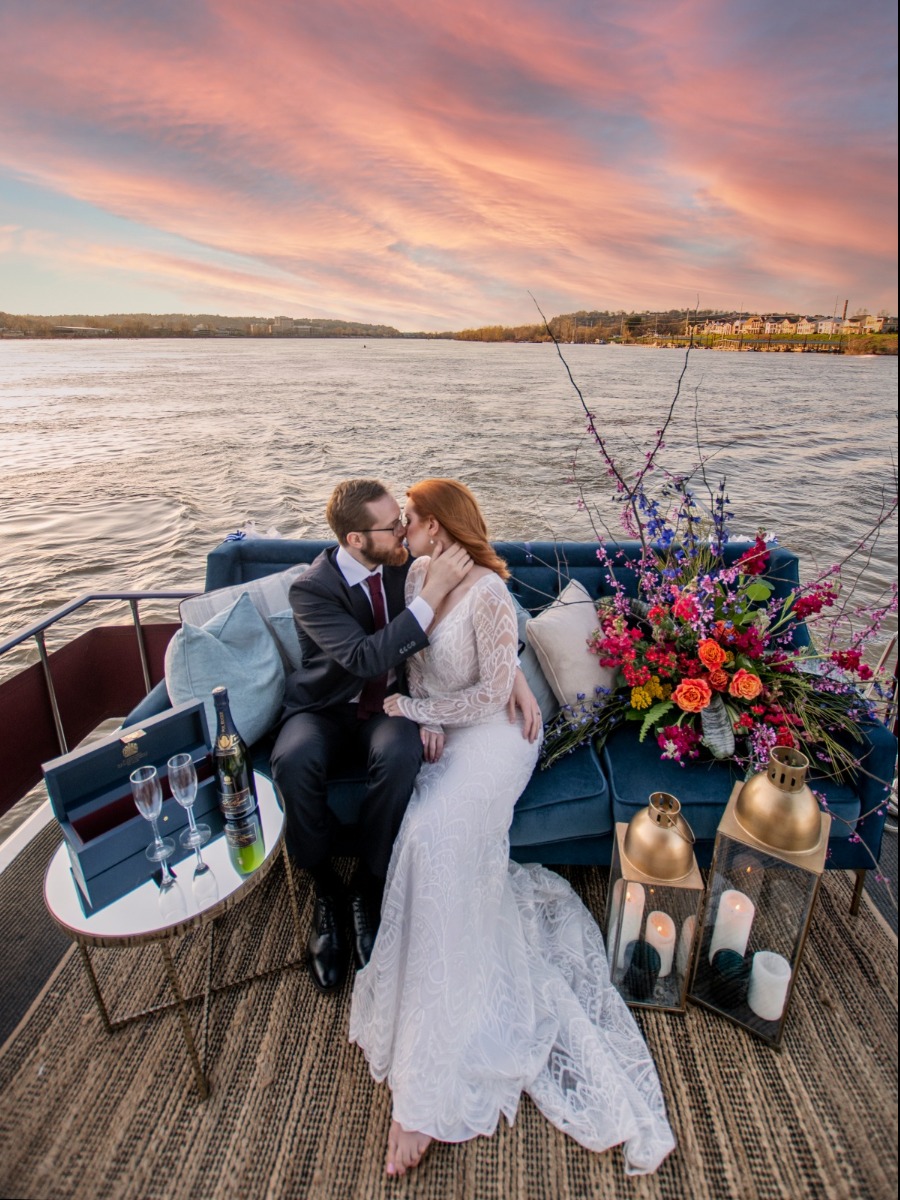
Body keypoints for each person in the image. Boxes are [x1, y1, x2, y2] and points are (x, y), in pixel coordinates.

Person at [349, 479, 675, 1178]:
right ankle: (418, 1008)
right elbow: (413, 657)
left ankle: (427, 1091)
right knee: (422, 840)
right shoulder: (415, 576)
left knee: (437, 840)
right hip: (450, 725)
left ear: (437, 526)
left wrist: (421, 712)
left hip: (496, 740)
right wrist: (422, 706)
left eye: (410, 519)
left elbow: (493, 695)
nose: (402, 528)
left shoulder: (491, 593)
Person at [271, 479, 541, 993]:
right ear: (355, 539)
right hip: (326, 708)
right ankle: (324, 888)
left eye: (403, 520)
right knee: (293, 759)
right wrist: (435, 588)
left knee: (400, 756)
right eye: (390, 525)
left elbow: (480, 615)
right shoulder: (312, 589)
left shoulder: (405, 562)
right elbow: (366, 658)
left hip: (390, 707)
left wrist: (516, 677)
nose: (401, 530)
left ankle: (367, 888)